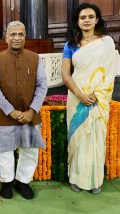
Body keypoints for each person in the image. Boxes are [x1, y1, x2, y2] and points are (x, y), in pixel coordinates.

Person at [61, 3, 118, 194]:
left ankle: (95, 180)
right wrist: (80, 95)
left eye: (90, 17)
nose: (86, 20)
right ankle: (76, 179)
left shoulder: (106, 43)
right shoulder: (70, 45)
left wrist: (97, 94)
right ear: (77, 21)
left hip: (99, 97)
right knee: (78, 136)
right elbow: (66, 75)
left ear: (97, 20)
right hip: (77, 96)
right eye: (82, 17)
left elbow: (110, 73)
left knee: (95, 137)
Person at [0, 21, 48, 200]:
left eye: (20, 34)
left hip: (30, 114)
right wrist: (10, 111)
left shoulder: (35, 58)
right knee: (4, 150)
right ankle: (6, 182)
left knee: (29, 149)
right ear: (6, 38)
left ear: (25, 37)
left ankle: (23, 181)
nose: (16, 38)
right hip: (4, 115)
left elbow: (42, 85)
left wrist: (32, 110)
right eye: (12, 34)